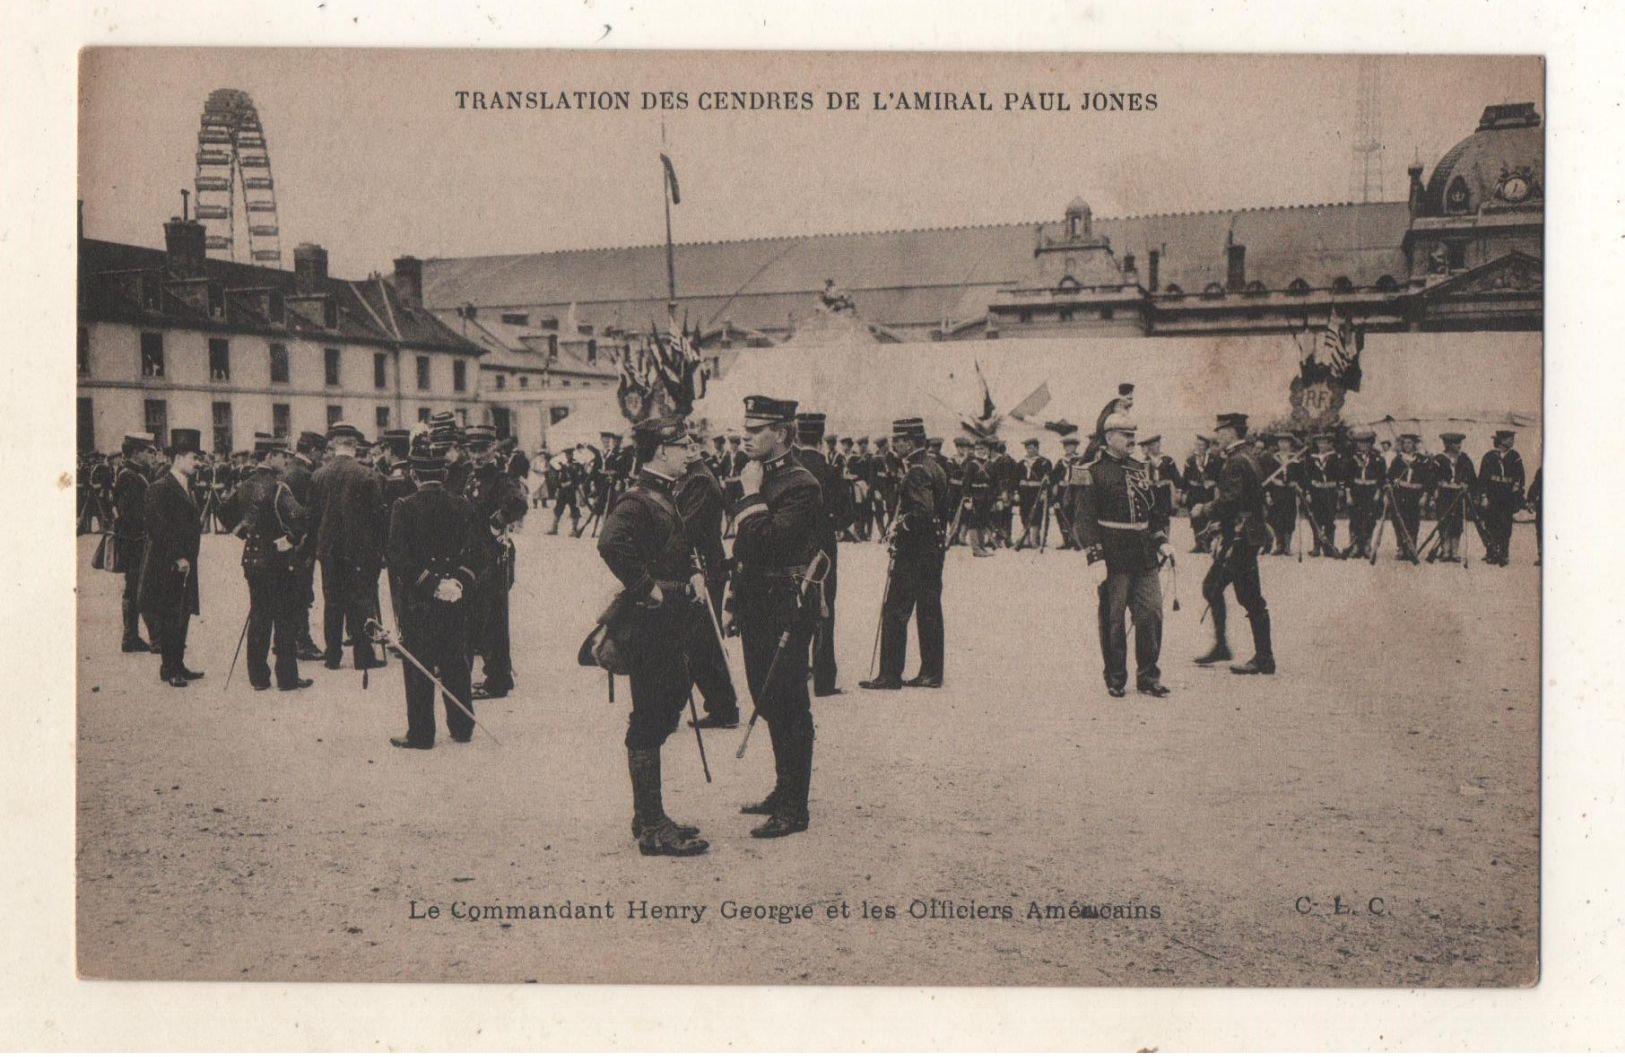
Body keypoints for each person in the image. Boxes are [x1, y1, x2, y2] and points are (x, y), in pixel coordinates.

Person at [597, 415, 711, 855]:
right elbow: (611, 544)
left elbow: (680, 545)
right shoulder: (638, 499)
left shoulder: (665, 493)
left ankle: (648, 813)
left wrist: (696, 572)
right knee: (650, 715)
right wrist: (646, 588)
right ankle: (652, 827)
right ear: (662, 451)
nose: (690, 452)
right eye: (683, 446)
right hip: (650, 626)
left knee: (668, 704)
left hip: (672, 623)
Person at [730, 395, 824, 839]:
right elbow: (744, 546)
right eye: (745, 429)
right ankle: (782, 788)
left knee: (789, 703)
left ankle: (794, 806)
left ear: (782, 434)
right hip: (756, 600)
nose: (745, 437)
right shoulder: (758, 475)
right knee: (765, 696)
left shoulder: (801, 485)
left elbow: (766, 539)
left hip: (785, 601)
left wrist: (749, 494)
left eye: (756, 431)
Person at [387, 451, 488, 750]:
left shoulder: (404, 507)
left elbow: (397, 556)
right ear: (444, 477)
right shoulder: (462, 505)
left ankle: (421, 733)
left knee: (419, 664)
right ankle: (462, 724)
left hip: (419, 601)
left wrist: (430, 584)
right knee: (456, 660)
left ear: (414, 476)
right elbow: (478, 552)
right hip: (455, 598)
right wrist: (459, 581)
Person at [1076, 413, 1172, 698]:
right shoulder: (1091, 471)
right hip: (1113, 555)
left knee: (1151, 613)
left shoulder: (1141, 469)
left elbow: (1153, 512)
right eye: (1125, 434)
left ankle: (1149, 676)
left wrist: (1161, 540)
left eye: (1133, 433)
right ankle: (1116, 677)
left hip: (1143, 555)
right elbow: (1084, 518)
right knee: (1114, 619)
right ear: (1108, 438)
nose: (1132, 439)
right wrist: (1095, 556)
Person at [860, 417, 950, 691]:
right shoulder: (935, 466)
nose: (894, 444)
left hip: (914, 553)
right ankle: (931, 673)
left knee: (895, 610)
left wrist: (900, 526)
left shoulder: (916, 472)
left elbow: (922, 512)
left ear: (909, 441)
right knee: (929, 610)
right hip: (932, 551)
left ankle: (889, 675)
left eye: (898, 440)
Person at [1190, 413, 1275, 676]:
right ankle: (1228, 648)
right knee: (1221, 589)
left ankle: (1262, 658)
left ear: (1232, 432)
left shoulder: (1237, 461)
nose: (1217, 434)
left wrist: (1204, 510)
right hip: (1242, 534)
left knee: (1242, 595)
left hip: (1241, 538)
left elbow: (1230, 502)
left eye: (1221, 430)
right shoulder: (1247, 456)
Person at [234, 434, 313, 692]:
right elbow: (301, 520)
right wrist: (290, 539)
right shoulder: (278, 488)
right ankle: (287, 678)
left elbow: (226, 513)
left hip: (252, 559)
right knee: (285, 618)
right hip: (277, 563)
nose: (286, 460)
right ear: (270, 456)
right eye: (282, 455)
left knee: (258, 616)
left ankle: (258, 677)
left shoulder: (245, 485)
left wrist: (246, 532)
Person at [309, 422, 386, 671]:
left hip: (329, 550)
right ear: (355, 445)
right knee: (360, 601)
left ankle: (332, 657)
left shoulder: (319, 475)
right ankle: (363, 657)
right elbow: (377, 518)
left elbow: (314, 516)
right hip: (358, 552)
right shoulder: (367, 474)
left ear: (333, 444)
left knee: (332, 602)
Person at [678, 432, 740, 727]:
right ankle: (722, 707)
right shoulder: (692, 477)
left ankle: (724, 708)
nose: (684, 452)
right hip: (703, 567)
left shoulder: (699, 480)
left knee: (704, 641)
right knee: (700, 641)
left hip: (705, 568)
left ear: (696, 449)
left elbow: (688, 526)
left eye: (688, 447)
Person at [463, 425, 527, 699]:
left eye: (482, 449)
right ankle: (498, 675)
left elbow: (518, 504)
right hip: (473, 557)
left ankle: (498, 681)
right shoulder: (471, 477)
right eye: (473, 449)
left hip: (493, 557)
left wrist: (497, 522)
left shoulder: (501, 479)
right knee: (482, 616)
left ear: (493, 449)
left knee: (494, 620)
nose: (477, 455)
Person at [138, 428, 206, 687]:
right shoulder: (161, 487)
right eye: (193, 458)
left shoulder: (187, 486)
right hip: (169, 564)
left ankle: (177, 664)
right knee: (170, 614)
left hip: (186, 563)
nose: (197, 463)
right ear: (178, 457)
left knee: (182, 612)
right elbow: (158, 527)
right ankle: (169, 668)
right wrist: (177, 557)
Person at [794, 412, 850, 697]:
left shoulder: (790, 469)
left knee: (796, 605)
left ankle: (798, 668)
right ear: (820, 437)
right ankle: (824, 679)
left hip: (793, 549)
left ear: (797, 435)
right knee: (825, 609)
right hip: (824, 551)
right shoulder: (830, 471)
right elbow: (846, 516)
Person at [113, 432, 159, 653]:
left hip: (137, 541)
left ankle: (133, 637)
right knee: (138, 588)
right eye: (148, 451)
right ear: (135, 452)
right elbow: (129, 515)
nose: (152, 455)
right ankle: (141, 638)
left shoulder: (136, 474)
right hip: (135, 543)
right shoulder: (129, 476)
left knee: (136, 588)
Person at [285, 431, 327, 660]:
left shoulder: (288, 469)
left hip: (289, 543)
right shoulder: (304, 475)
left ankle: (287, 639)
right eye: (321, 452)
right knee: (301, 592)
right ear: (312, 451)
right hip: (302, 545)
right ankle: (302, 641)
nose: (322, 457)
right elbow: (309, 514)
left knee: (292, 591)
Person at [1478, 430, 1525, 567]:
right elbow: (1483, 478)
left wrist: (1517, 488)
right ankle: (1491, 552)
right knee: (1491, 524)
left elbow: (1520, 475)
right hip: (1493, 495)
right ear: (1501, 441)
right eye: (1509, 439)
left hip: (1507, 496)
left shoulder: (1515, 456)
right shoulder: (1489, 456)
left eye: (1512, 439)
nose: (1512, 441)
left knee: (1505, 525)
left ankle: (1504, 553)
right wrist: (1483, 496)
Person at [1430, 432, 1476, 562]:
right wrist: (1437, 487)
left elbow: (1472, 476)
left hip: (1458, 495)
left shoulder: (1465, 459)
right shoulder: (1439, 459)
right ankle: (1445, 551)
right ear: (1448, 444)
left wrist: (1466, 484)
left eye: (1460, 443)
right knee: (1444, 522)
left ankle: (1455, 552)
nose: (1459, 445)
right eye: (1456, 443)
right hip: (1444, 495)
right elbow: (1432, 476)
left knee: (1457, 523)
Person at [1302, 432, 1348, 558]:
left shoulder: (1334, 457)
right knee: (1315, 519)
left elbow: (1340, 474)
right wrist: (1307, 492)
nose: (1322, 445)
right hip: (1316, 491)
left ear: (1329, 444)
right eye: (1319, 442)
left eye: (1324, 442)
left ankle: (1329, 547)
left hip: (1330, 492)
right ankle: (1316, 547)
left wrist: (1340, 489)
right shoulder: (1311, 458)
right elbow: (1307, 476)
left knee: (1329, 519)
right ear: (1316, 444)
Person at [1386, 433, 1431, 561]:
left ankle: (1412, 547)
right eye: (1404, 443)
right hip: (1400, 494)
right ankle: (1401, 547)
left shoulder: (1423, 460)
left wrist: (1425, 495)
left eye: (1410, 443)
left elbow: (1428, 479)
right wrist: (1393, 482)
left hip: (1415, 495)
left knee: (1413, 521)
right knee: (1399, 520)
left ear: (1415, 445)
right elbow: (1389, 476)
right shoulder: (1397, 460)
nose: (1407, 446)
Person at [1343, 430, 1385, 560]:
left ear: (1371, 444)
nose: (1363, 446)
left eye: (1366, 443)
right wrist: (1348, 495)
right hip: (1356, 491)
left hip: (1371, 491)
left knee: (1370, 519)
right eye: (1360, 443)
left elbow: (1381, 477)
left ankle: (1367, 545)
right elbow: (1347, 478)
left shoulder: (1378, 459)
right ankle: (1355, 545)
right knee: (1355, 518)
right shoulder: (1351, 459)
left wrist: (1378, 492)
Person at [1262, 433, 1301, 556]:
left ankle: (1287, 546)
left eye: (1286, 442)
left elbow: (1301, 476)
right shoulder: (1272, 459)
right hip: (1277, 492)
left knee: (1289, 518)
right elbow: (1267, 477)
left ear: (1290, 444)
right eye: (1280, 442)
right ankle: (1279, 545)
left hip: (1290, 492)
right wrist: (1268, 495)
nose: (1283, 445)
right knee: (1277, 518)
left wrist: (1297, 485)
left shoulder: (1296, 459)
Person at [1014, 437, 1053, 549]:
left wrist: (1044, 493)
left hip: (1036, 493)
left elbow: (1047, 480)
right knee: (1024, 514)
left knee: (1036, 515)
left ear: (1037, 448)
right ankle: (1025, 539)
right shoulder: (1021, 463)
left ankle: (1035, 539)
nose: (1029, 450)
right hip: (1024, 493)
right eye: (1027, 448)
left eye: (1032, 448)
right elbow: (1016, 479)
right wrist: (1016, 492)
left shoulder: (1044, 462)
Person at [1050, 433, 1084, 548]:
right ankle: (1066, 541)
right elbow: (1053, 476)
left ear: (1076, 447)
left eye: (1071, 446)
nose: (1068, 448)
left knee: (1074, 514)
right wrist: (1056, 484)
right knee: (1061, 514)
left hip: (1074, 491)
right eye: (1066, 446)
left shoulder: (1080, 460)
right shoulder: (1060, 461)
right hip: (1061, 490)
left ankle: (1076, 541)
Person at [1527, 466, 1542, 566]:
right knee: (1540, 530)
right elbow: (1535, 486)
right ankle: (1542, 555)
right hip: (1543, 505)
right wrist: (1531, 500)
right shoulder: (1542, 470)